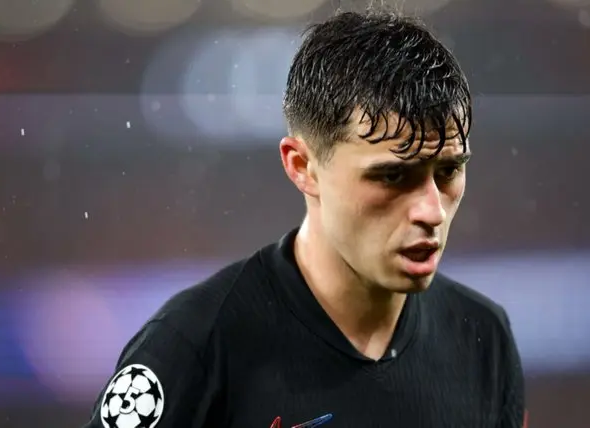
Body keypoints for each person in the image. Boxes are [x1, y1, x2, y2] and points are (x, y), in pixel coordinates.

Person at [84, 9, 525, 428]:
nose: (431, 210)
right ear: (302, 166)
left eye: (448, 171)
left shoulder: (485, 341)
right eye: (392, 176)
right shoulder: (193, 345)